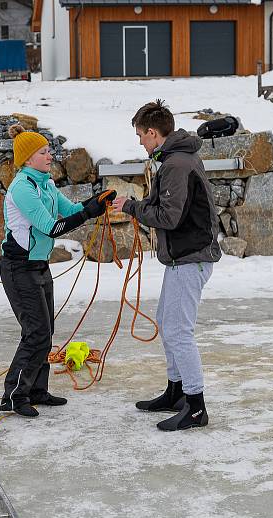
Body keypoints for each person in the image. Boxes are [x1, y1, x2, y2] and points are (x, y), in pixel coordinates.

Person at [113, 100, 221, 431]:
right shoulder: (175, 160)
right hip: (183, 258)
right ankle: (176, 392)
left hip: (191, 258)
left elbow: (169, 217)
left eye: (140, 136)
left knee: (178, 329)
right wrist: (135, 205)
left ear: (152, 133)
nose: (140, 142)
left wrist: (132, 208)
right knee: (165, 321)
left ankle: (196, 406)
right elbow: (167, 205)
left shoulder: (176, 164)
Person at [0, 124, 114, 417]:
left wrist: (94, 204)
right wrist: (87, 213)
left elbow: (71, 209)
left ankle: (37, 390)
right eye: (43, 152)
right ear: (27, 159)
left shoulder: (46, 184)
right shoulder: (22, 188)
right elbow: (50, 227)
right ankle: (13, 395)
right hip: (18, 267)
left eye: (49, 150)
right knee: (35, 333)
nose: (50, 155)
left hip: (38, 265)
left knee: (45, 332)